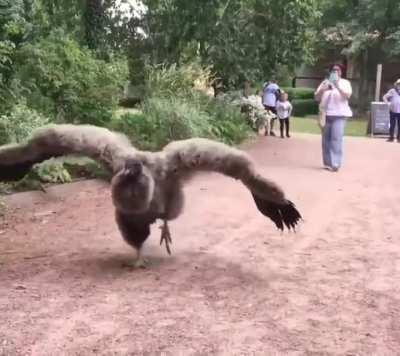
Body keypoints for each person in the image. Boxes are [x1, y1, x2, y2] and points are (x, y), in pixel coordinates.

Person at [314, 63, 352, 172]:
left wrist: (337, 86)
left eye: (338, 70)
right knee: (326, 140)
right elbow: (316, 97)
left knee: (336, 138)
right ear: (330, 72)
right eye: (333, 70)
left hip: (339, 115)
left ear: (341, 72)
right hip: (326, 115)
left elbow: (347, 96)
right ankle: (327, 163)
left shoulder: (345, 83)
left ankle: (336, 163)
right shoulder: (325, 83)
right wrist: (323, 90)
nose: (335, 72)